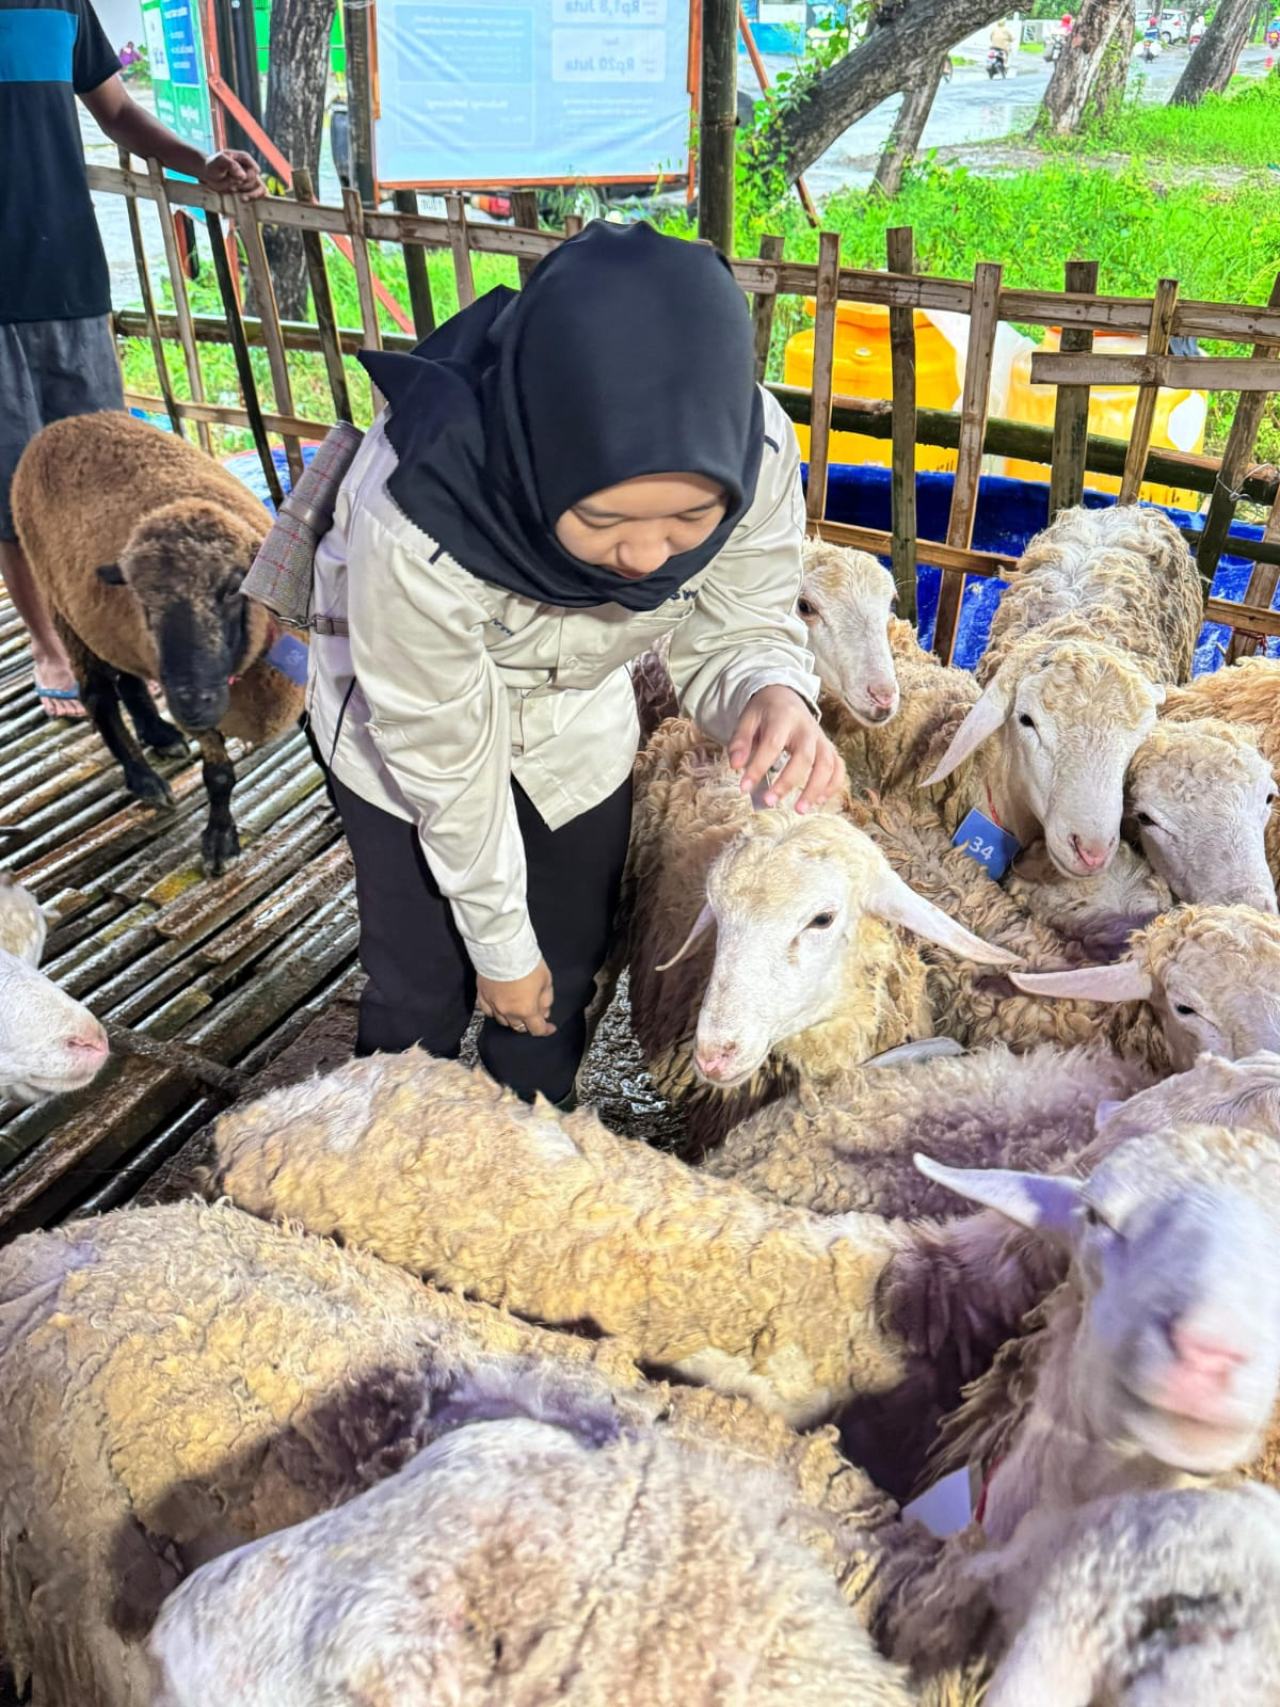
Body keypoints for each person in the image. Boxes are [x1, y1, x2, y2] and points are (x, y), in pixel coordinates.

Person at [305, 222, 842, 1109]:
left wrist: (770, 687)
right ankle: (391, 1134)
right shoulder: (419, 514)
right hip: (405, 736)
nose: (645, 556)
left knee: (564, 967)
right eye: (603, 520)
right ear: (542, 448)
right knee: (422, 977)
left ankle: (530, 1139)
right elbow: (442, 753)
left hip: (574, 719)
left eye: (689, 522)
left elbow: (745, 614)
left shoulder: (758, 452)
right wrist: (500, 952)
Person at [0, 0, 264, 719]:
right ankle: (50, 646)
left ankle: (117, 638)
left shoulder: (63, 6)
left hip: (66, 274)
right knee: (12, 486)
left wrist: (202, 163)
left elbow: (116, 111)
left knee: (101, 476)